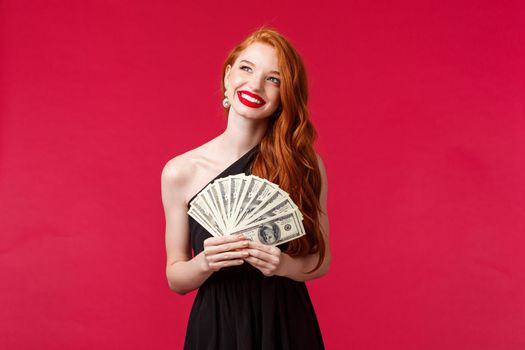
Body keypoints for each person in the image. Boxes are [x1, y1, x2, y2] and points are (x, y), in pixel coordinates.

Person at [161, 26, 331, 350]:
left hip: (285, 320)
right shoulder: (179, 172)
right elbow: (176, 277)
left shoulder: (305, 165)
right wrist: (206, 262)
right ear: (228, 77)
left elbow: (321, 260)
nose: (255, 84)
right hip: (218, 324)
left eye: (273, 79)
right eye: (246, 68)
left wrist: (285, 266)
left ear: (285, 96)